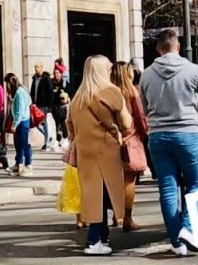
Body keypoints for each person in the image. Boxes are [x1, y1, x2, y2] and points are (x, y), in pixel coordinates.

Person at [139, 30, 198, 256]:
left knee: (167, 189)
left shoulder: (146, 75)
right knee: (197, 183)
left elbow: (145, 108)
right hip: (187, 132)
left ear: (158, 49)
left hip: (158, 135)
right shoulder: (192, 70)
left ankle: (177, 242)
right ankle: (187, 227)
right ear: (177, 46)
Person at [68, 55, 133, 256]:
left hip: (85, 152)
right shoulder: (109, 92)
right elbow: (126, 123)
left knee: (94, 196)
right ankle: (94, 240)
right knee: (105, 196)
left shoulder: (78, 97)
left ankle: (101, 237)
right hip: (106, 150)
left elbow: (70, 127)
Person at [110, 61, 148, 232]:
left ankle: (114, 215)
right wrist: (145, 133)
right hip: (130, 139)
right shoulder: (131, 91)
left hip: (110, 139)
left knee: (113, 180)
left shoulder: (108, 92)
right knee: (129, 180)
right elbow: (140, 116)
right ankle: (127, 217)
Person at [6, 73, 33, 176]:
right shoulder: (21, 90)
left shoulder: (19, 92)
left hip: (22, 121)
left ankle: (28, 164)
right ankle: (19, 163)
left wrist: (14, 124)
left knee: (23, 143)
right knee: (18, 144)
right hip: (21, 121)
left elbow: (20, 111)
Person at [31, 63, 57, 152]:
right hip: (36, 104)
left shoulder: (46, 78)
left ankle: (46, 144)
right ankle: (48, 137)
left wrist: (48, 105)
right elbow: (32, 90)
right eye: (35, 67)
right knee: (36, 123)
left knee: (43, 122)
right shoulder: (34, 78)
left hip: (44, 105)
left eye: (38, 67)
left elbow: (50, 92)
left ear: (42, 68)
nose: (36, 69)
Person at [50, 65, 71, 150]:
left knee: (62, 122)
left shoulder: (64, 82)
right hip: (54, 106)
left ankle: (65, 138)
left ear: (61, 74)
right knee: (56, 123)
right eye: (55, 73)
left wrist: (67, 99)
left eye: (58, 73)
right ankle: (58, 140)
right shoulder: (52, 82)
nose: (56, 75)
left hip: (62, 106)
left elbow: (69, 92)